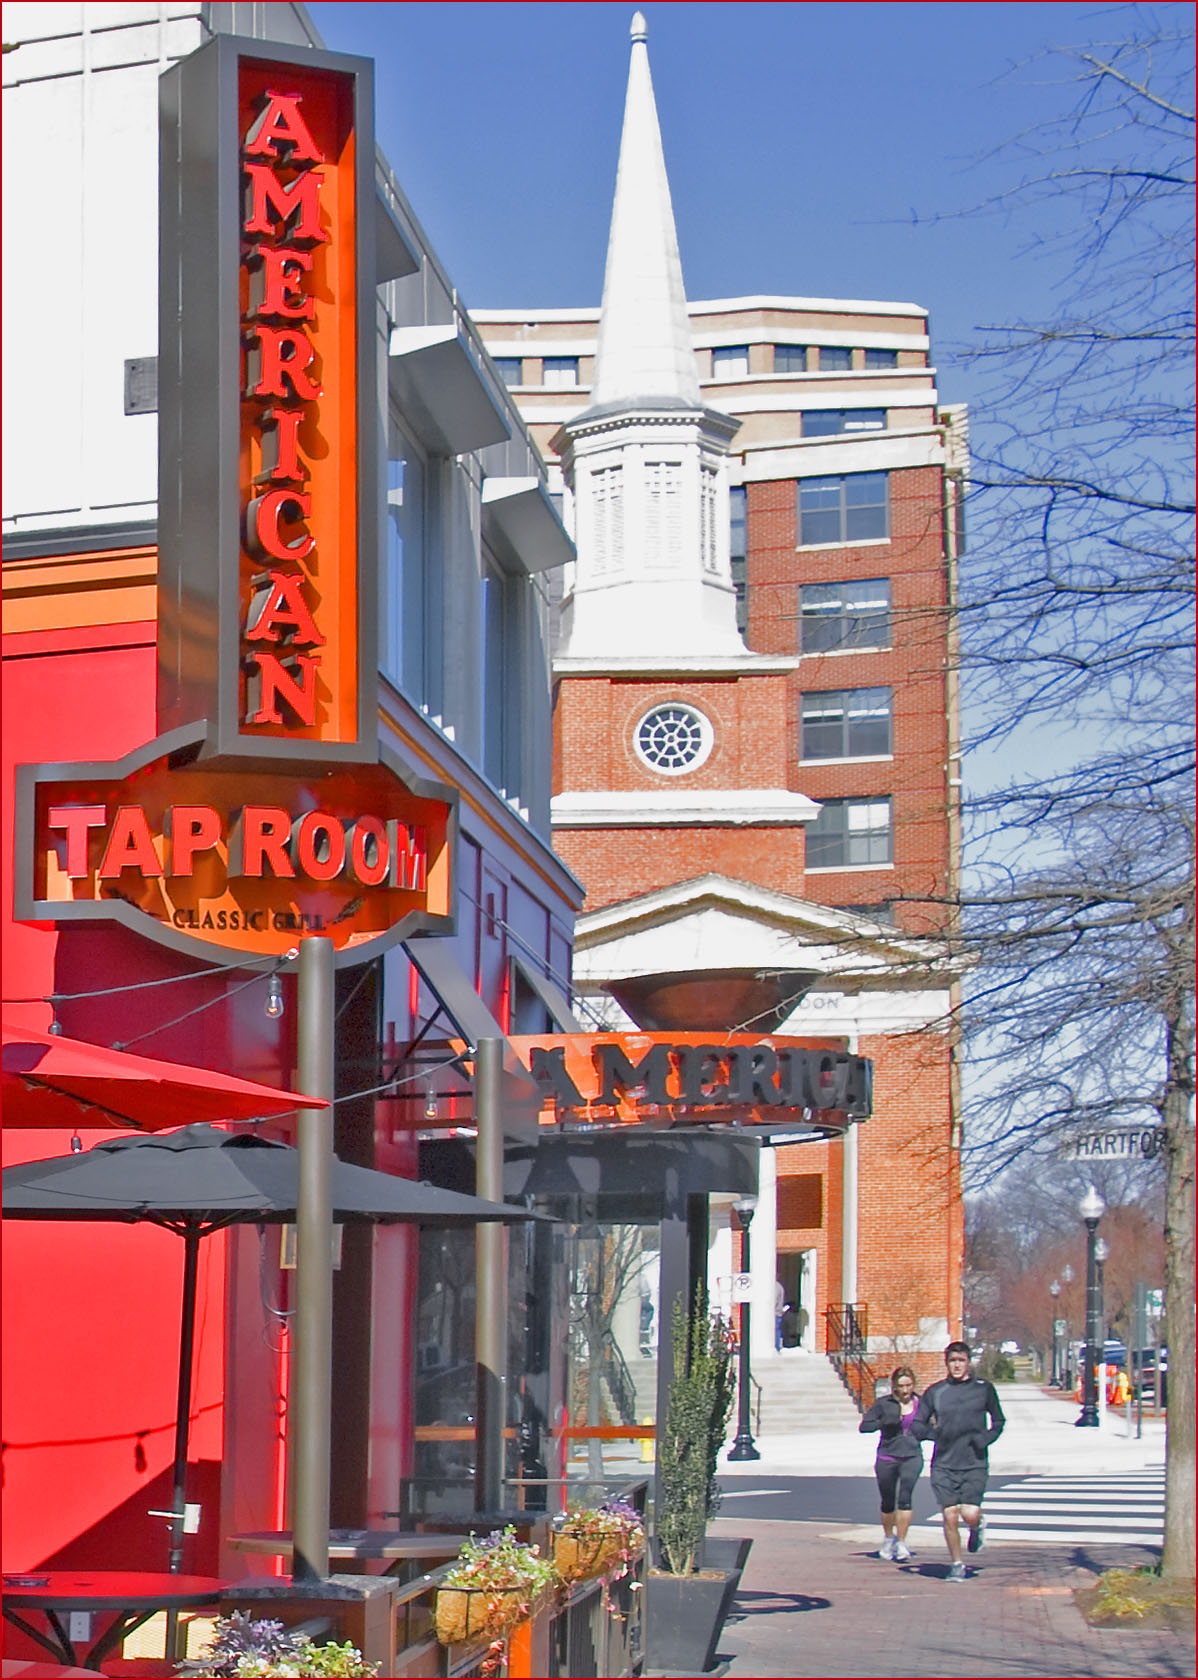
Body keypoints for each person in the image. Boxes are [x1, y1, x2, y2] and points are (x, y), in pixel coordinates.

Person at [916, 1341, 1005, 1582]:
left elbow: (998, 1421)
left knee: (969, 1513)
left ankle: (977, 1527)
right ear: (947, 1363)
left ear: (968, 1362)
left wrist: (984, 1440)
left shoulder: (983, 1389)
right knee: (950, 1515)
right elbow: (918, 1424)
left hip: (973, 1461)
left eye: (961, 1360)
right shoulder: (936, 1392)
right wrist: (933, 1435)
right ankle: (957, 1564)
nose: (957, 1365)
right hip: (944, 1463)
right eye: (952, 1361)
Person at [859, 1365, 925, 1561]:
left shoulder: (920, 1403)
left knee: (905, 1499)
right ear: (894, 1386)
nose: (906, 1390)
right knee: (888, 1502)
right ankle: (889, 1539)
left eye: (909, 1385)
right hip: (887, 1457)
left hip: (912, 1456)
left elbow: (931, 1424)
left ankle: (902, 1542)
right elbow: (865, 1426)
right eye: (901, 1386)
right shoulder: (884, 1404)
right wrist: (883, 1423)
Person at [774, 1278, 785, 1351]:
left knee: (775, 1331)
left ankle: (776, 1347)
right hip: (778, 1312)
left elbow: (773, 1301)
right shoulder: (779, 1286)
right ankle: (777, 1347)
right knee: (777, 1330)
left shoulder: (774, 1287)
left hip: (775, 1313)